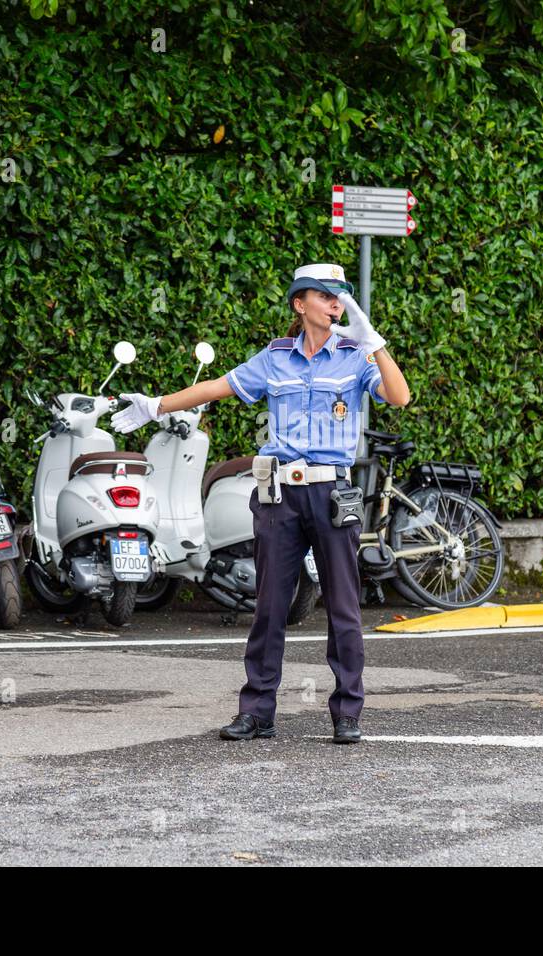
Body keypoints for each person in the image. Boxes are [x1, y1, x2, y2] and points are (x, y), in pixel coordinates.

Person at [110, 263, 411, 744]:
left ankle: (347, 713)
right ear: (300, 304)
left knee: (343, 607)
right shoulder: (274, 359)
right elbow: (217, 387)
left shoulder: (356, 356)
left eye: (342, 297)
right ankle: (257, 712)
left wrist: (375, 342)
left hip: (332, 493)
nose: (337, 303)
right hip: (278, 494)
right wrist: (156, 405)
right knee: (269, 606)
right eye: (326, 295)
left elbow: (399, 396)